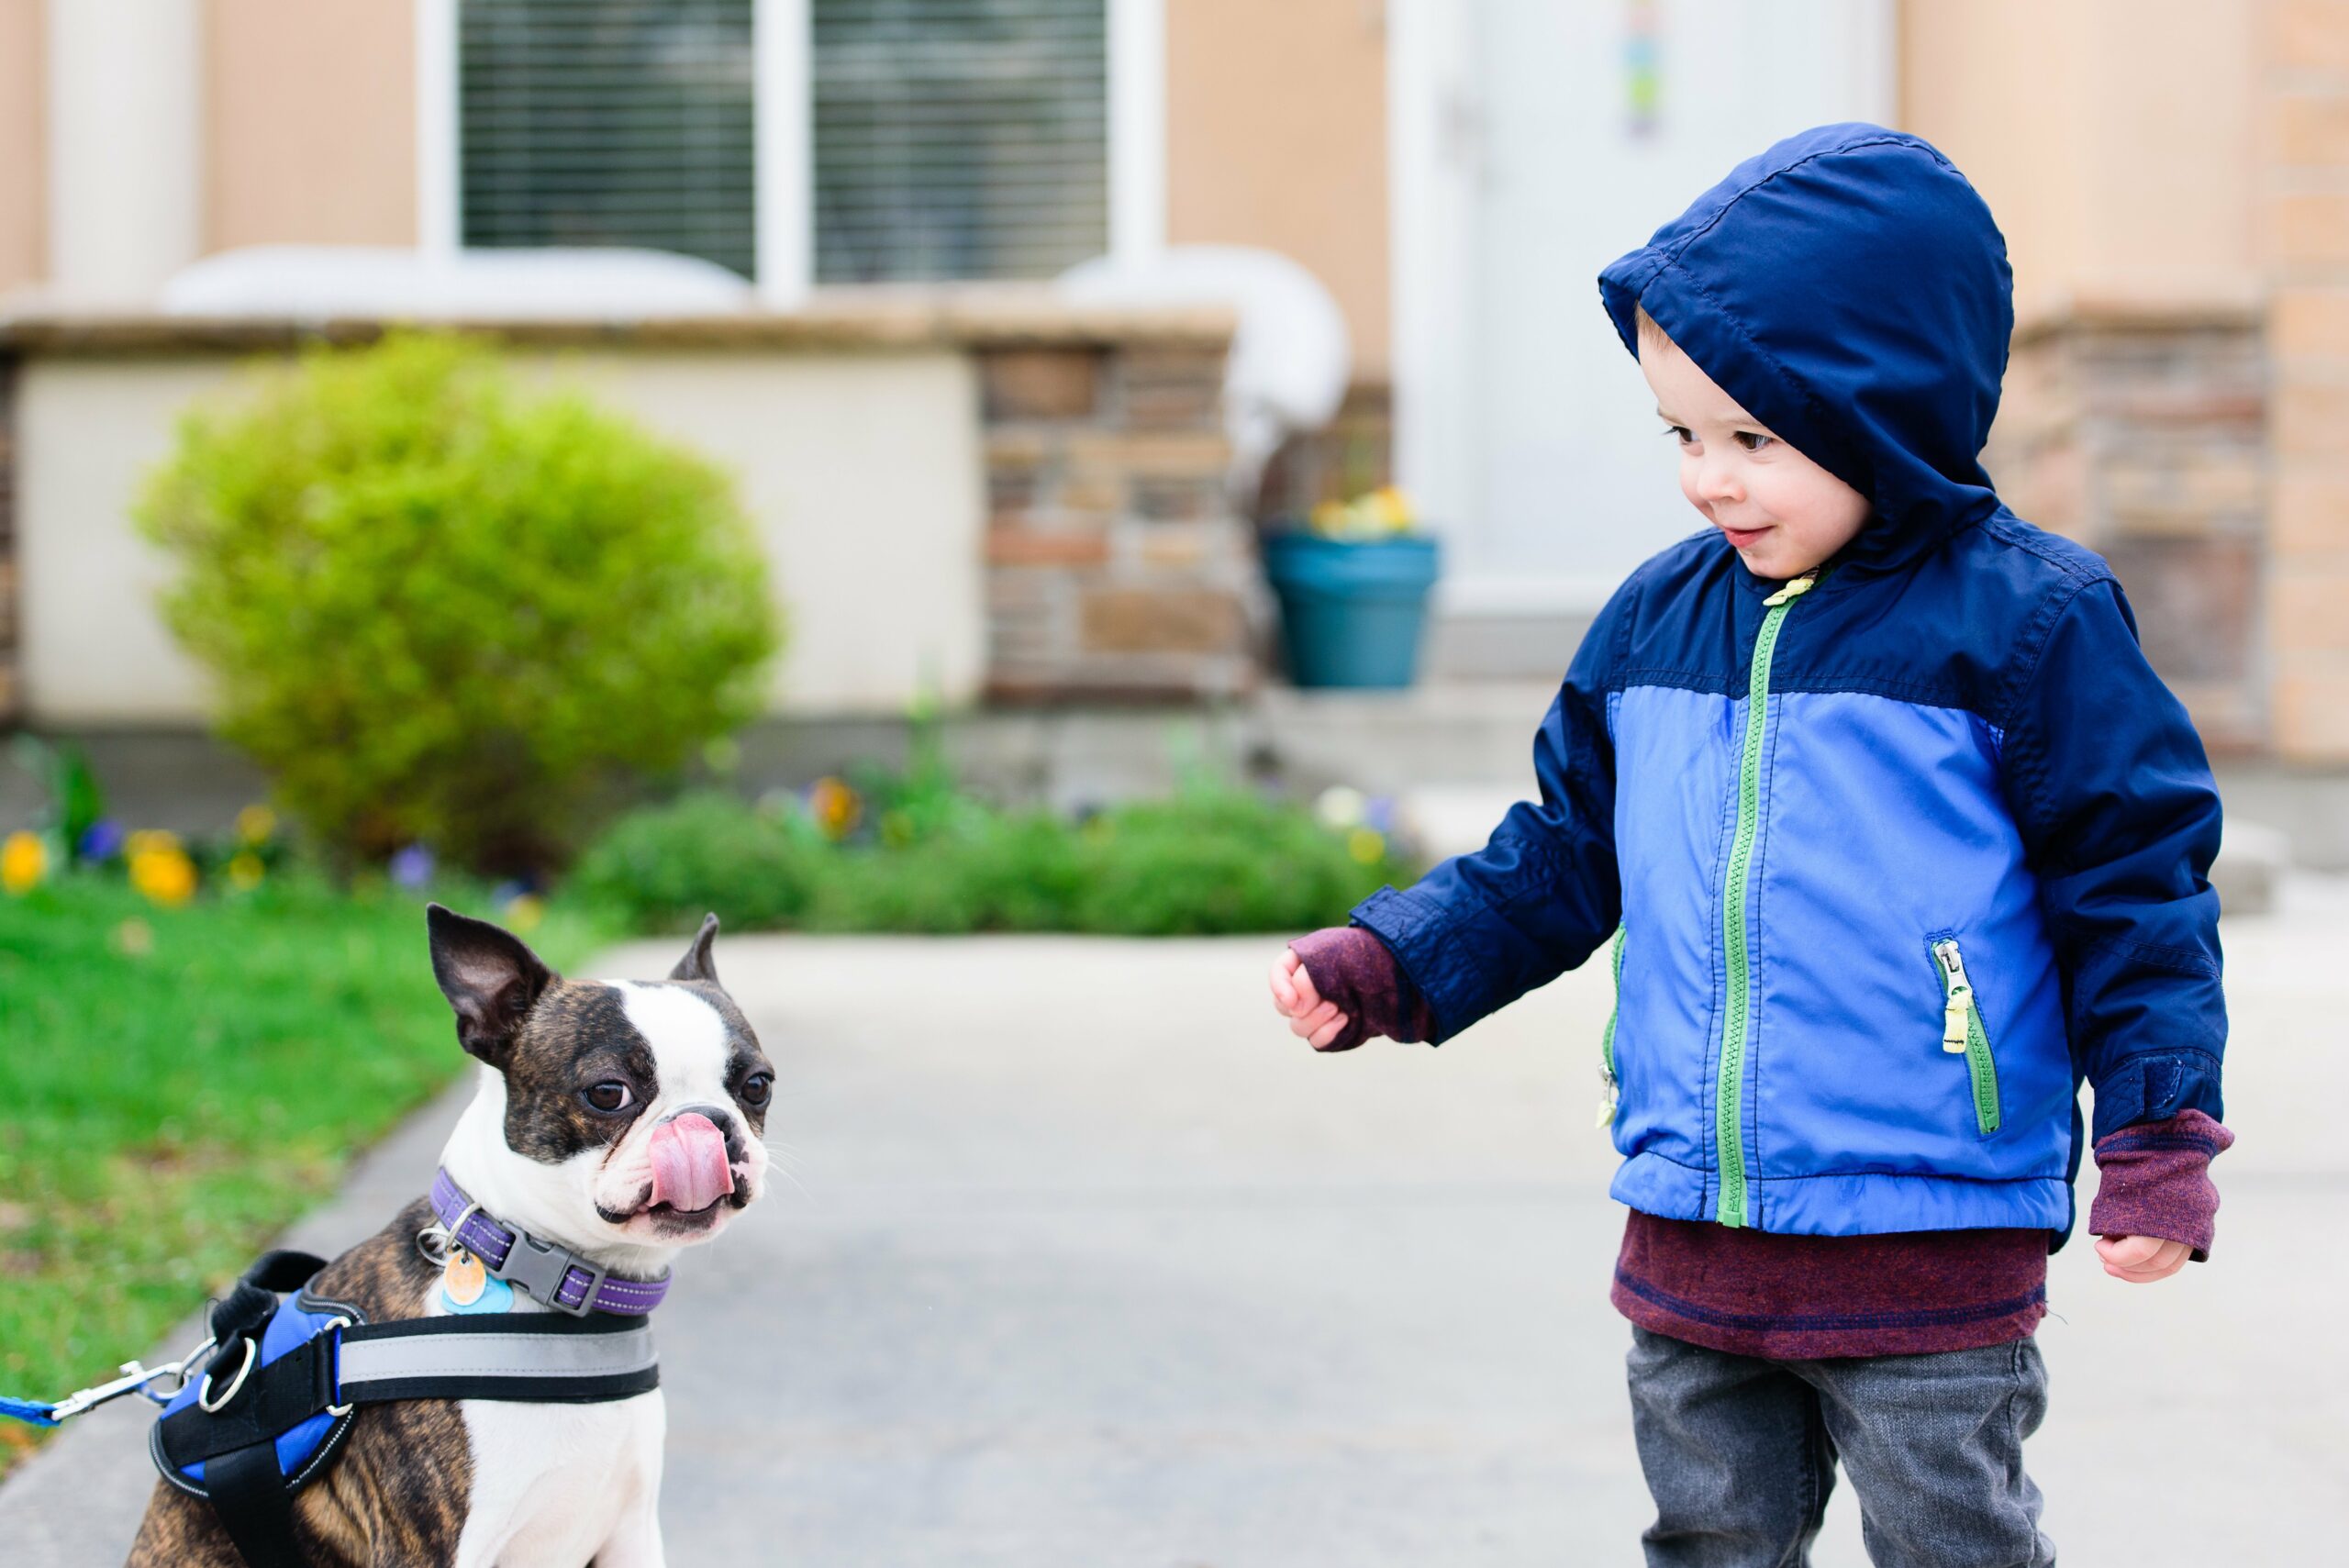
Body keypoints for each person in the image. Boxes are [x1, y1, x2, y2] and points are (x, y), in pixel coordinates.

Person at [1267, 124, 2232, 1568]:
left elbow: (2135, 893)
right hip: (1692, 1225)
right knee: (1709, 1535)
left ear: (1888, 407)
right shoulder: (1657, 622)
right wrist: (1398, 958)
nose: (1706, 480)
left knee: (1951, 1538)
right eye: (1683, 435)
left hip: (1930, 1222)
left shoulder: (2026, 627)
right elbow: (1559, 854)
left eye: (1753, 437)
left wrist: (2158, 1136)